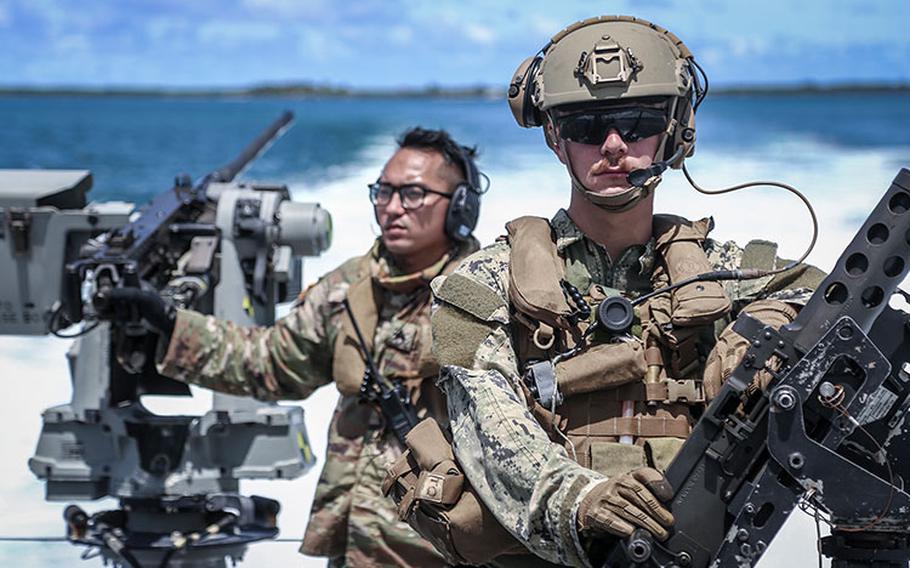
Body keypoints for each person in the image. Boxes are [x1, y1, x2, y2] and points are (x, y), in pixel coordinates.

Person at [407, 16, 822, 567]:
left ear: (674, 131)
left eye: (637, 122)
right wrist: (583, 500)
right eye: (585, 127)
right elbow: (493, 435)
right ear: (555, 137)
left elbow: (840, 311)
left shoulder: (736, 276)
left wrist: (771, 330)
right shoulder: (480, 287)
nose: (612, 145)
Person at [155, 127, 484, 567]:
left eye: (413, 194)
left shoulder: (484, 295)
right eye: (383, 192)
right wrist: (167, 323)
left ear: (460, 206)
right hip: (355, 548)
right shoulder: (348, 287)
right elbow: (269, 362)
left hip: (441, 550)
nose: (391, 208)